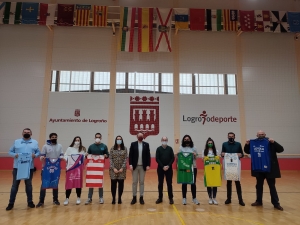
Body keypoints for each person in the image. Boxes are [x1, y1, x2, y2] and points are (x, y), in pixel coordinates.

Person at [244, 130, 284, 211]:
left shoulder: (270, 142)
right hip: (259, 169)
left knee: (272, 186)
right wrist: (247, 144)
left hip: (270, 169)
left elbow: (281, 149)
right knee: (258, 186)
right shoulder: (253, 143)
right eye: (259, 134)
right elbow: (246, 151)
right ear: (256, 135)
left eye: (262, 134)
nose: (261, 135)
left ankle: (276, 204)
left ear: (265, 134)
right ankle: (258, 201)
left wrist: (274, 142)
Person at [6, 128, 40, 211]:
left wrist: (34, 155)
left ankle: (30, 202)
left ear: (31, 134)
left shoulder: (35, 142)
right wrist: (15, 155)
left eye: (28, 132)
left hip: (29, 168)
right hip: (17, 167)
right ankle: (11, 203)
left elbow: (38, 152)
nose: (26, 133)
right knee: (15, 185)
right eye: (25, 132)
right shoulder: (16, 142)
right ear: (22, 133)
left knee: (28, 185)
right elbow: (10, 152)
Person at [36, 133, 64, 207]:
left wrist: (61, 157)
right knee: (44, 184)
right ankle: (41, 201)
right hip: (46, 168)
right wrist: (42, 158)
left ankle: (55, 200)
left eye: (55, 137)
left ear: (57, 137)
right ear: (50, 138)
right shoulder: (45, 146)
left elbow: (62, 154)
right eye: (52, 137)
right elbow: (42, 156)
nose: (54, 138)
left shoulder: (60, 146)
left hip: (56, 168)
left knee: (55, 183)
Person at [221, 132, 245, 206]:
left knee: (237, 182)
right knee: (228, 183)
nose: (231, 137)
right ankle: (228, 199)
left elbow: (242, 154)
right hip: (228, 165)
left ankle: (240, 200)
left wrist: (240, 155)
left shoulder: (238, 144)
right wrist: (222, 154)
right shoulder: (224, 144)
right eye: (229, 136)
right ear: (227, 137)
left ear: (234, 137)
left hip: (235, 165)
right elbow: (222, 154)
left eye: (232, 136)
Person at [85, 133, 109, 204]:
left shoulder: (104, 146)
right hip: (92, 167)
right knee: (91, 182)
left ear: (101, 138)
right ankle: (89, 198)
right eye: (96, 137)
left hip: (99, 167)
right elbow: (88, 155)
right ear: (94, 138)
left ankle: (101, 197)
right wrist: (86, 155)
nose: (97, 138)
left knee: (100, 182)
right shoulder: (91, 146)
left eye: (99, 137)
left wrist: (106, 155)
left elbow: (107, 154)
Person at [129, 132, 151, 205]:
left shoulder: (146, 144)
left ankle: (141, 197)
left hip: (143, 166)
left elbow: (148, 155)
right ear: (137, 136)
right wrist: (130, 164)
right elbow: (130, 155)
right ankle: (134, 197)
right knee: (134, 182)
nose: (140, 137)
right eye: (139, 136)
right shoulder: (133, 144)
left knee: (142, 182)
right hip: (135, 166)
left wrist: (148, 165)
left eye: (142, 136)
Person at [63, 136, 86, 206]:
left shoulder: (82, 149)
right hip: (70, 168)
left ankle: (78, 197)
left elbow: (83, 158)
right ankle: (67, 198)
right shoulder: (69, 148)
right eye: (76, 140)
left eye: (78, 140)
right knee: (69, 183)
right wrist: (69, 160)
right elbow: (65, 156)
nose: (77, 141)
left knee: (78, 183)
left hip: (78, 168)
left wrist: (83, 157)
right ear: (74, 141)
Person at [178, 135, 200, 205]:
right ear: (183, 140)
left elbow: (197, 157)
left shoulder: (194, 147)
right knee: (184, 183)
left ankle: (194, 198)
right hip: (184, 167)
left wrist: (195, 154)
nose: (186, 140)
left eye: (188, 139)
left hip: (193, 167)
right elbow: (179, 157)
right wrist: (177, 154)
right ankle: (184, 198)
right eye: (185, 139)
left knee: (193, 183)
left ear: (190, 140)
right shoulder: (181, 148)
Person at [155, 136, 175, 205]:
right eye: (163, 140)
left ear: (167, 140)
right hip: (160, 169)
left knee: (169, 184)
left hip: (169, 169)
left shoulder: (170, 149)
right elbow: (157, 159)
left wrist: (168, 166)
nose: (164, 141)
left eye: (165, 140)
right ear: (161, 140)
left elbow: (172, 158)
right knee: (160, 183)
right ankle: (160, 198)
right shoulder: (158, 149)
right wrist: (163, 166)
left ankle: (171, 198)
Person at [109, 135, 128, 204]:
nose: (119, 140)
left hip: (122, 170)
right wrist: (113, 168)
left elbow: (126, 158)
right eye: (117, 139)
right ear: (116, 140)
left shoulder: (125, 148)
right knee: (113, 184)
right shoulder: (112, 148)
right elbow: (110, 158)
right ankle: (113, 198)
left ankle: (120, 198)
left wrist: (122, 167)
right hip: (113, 169)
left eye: (120, 139)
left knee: (121, 184)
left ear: (122, 140)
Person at [202, 137, 219, 205]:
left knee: (215, 184)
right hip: (207, 169)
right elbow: (203, 160)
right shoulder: (204, 151)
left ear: (213, 144)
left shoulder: (216, 151)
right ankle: (210, 198)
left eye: (211, 143)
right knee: (209, 183)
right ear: (207, 144)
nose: (210, 144)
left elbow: (217, 159)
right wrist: (204, 159)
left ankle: (214, 198)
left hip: (214, 170)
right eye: (209, 143)